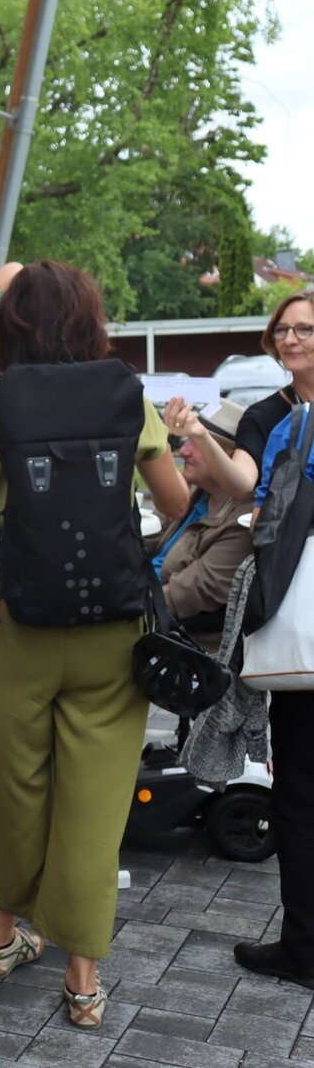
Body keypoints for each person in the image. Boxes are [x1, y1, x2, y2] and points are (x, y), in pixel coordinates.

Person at [0, 261, 189, 1028]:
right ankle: (84, 979)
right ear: (90, 322)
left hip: (13, 625)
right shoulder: (130, 396)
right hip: (113, 625)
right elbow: (176, 500)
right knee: (94, 803)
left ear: (8, 328)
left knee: (9, 788)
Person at [233, 381, 314, 988]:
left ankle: (303, 946)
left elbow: (267, 517)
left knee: (301, 790)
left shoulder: (297, 426)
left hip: (305, 641)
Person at [164, 289, 314, 500]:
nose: (289, 340)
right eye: (281, 330)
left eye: (304, 329)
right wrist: (201, 435)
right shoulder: (263, 416)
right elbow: (241, 483)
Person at [149, 402, 253, 654]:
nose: (182, 452)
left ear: (228, 457)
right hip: (154, 617)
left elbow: (195, 590)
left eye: (194, 444)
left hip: (187, 647)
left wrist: (125, 608)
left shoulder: (243, 520)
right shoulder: (197, 495)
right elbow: (146, 538)